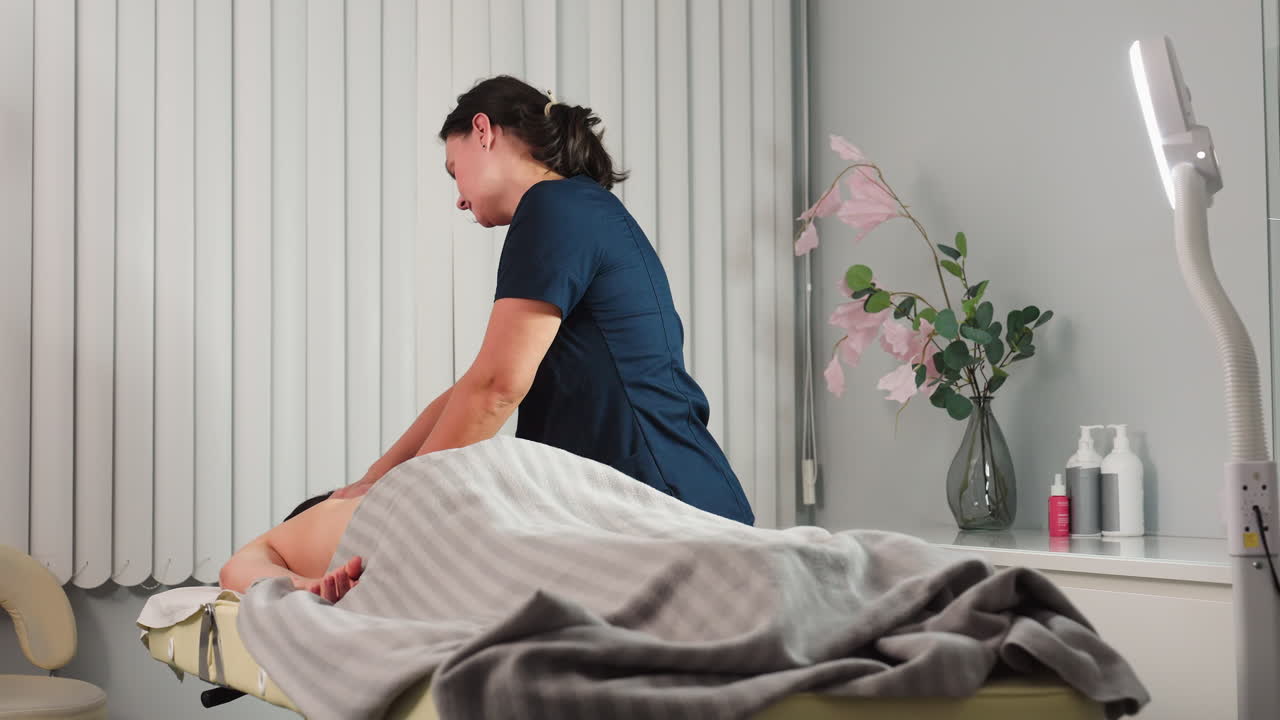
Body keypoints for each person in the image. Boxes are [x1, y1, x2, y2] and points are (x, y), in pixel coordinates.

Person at [331, 76, 753, 525]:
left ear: (483, 131)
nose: (458, 198)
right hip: (654, 502)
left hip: (663, 502)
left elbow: (496, 388)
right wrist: (376, 481)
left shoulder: (556, 207)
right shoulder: (574, 207)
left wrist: (395, 513)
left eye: (455, 170)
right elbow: (476, 386)